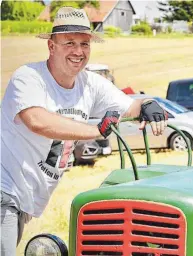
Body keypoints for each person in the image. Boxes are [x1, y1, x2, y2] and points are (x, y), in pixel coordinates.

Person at [0, 7, 168, 254]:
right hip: (5, 191)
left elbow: (128, 105)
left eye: (84, 44)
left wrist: (148, 104)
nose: (78, 51)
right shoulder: (28, 77)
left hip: (24, 200)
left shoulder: (89, 83)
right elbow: (36, 120)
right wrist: (96, 131)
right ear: (51, 46)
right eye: (69, 43)